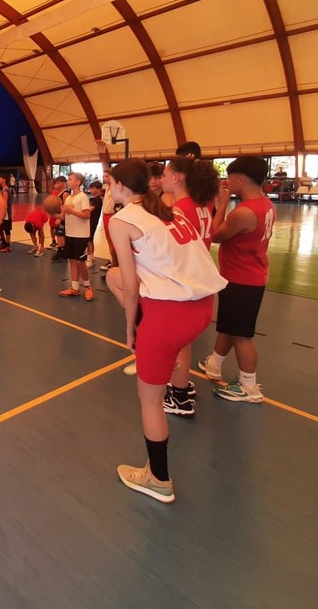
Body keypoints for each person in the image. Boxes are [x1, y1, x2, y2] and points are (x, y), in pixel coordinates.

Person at [106, 159, 226, 503]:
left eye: (110, 182)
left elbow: (132, 288)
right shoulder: (172, 211)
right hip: (202, 309)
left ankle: (158, 479)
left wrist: (131, 329)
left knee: (150, 402)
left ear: (120, 186)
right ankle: (167, 355)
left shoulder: (121, 220)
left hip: (168, 317)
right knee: (111, 276)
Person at [199, 156, 275, 403]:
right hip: (250, 275)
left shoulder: (243, 212)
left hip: (241, 279)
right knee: (231, 326)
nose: (227, 182)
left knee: (242, 336)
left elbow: (214, 235)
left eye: (230, 178)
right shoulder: (266, 204)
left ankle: (248, 386)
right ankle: (214, 363)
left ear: (240, 179)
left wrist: (221, 204)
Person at [159, 156, 221, 418]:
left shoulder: (180, 210)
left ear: (177, 177)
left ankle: (180, 396)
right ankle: (182, 384)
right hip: (201, 278)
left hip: (185, 279)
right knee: (184, 341)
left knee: (178, 342)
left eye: (165, 174)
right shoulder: (203, 205)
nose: (161, 179)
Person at [59, 172, 94, 301]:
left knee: (80, 262)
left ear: (78, 182)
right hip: (70, 233)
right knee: (72, 261)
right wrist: (53, 214)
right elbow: (64, 217)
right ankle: (74, 288)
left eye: (70, 179)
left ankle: (88, 287)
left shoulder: (83, 197)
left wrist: (71, 211)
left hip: (81, 235)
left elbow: (87, 215)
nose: (68, 181)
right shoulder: (68, 198)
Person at [49, 175, 68, 261]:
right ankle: (60, 250)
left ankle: (62, 252)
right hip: (59, 216)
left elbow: (65, 206)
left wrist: (60, 218)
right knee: (58, 234)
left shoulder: (65, 193)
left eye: (57, 183)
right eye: (55, 183)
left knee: (61, 234)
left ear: (63, 184)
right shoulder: (59, 193)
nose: (55, 185)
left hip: (63, 218)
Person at [86, 180, 104, 270]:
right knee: (90, 240)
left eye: (93, 188)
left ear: (99, 189)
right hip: (89, 222)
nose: (91, 190)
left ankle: (90, 259)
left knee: (89, 241)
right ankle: (91, 257)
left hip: (92, 222)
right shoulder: (92, 199)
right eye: (90, 188)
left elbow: (89, 210)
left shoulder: (98, 200)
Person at [0, 174, 12, 253]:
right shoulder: (3, 190)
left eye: (0, 178)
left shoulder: (5, 191)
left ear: (4, 180)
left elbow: (4, 204)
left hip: (6, 214)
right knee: (1, 228)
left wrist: (1, 213)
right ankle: (4, 242)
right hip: (4, 213)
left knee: (7, 229)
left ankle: (8, 245)